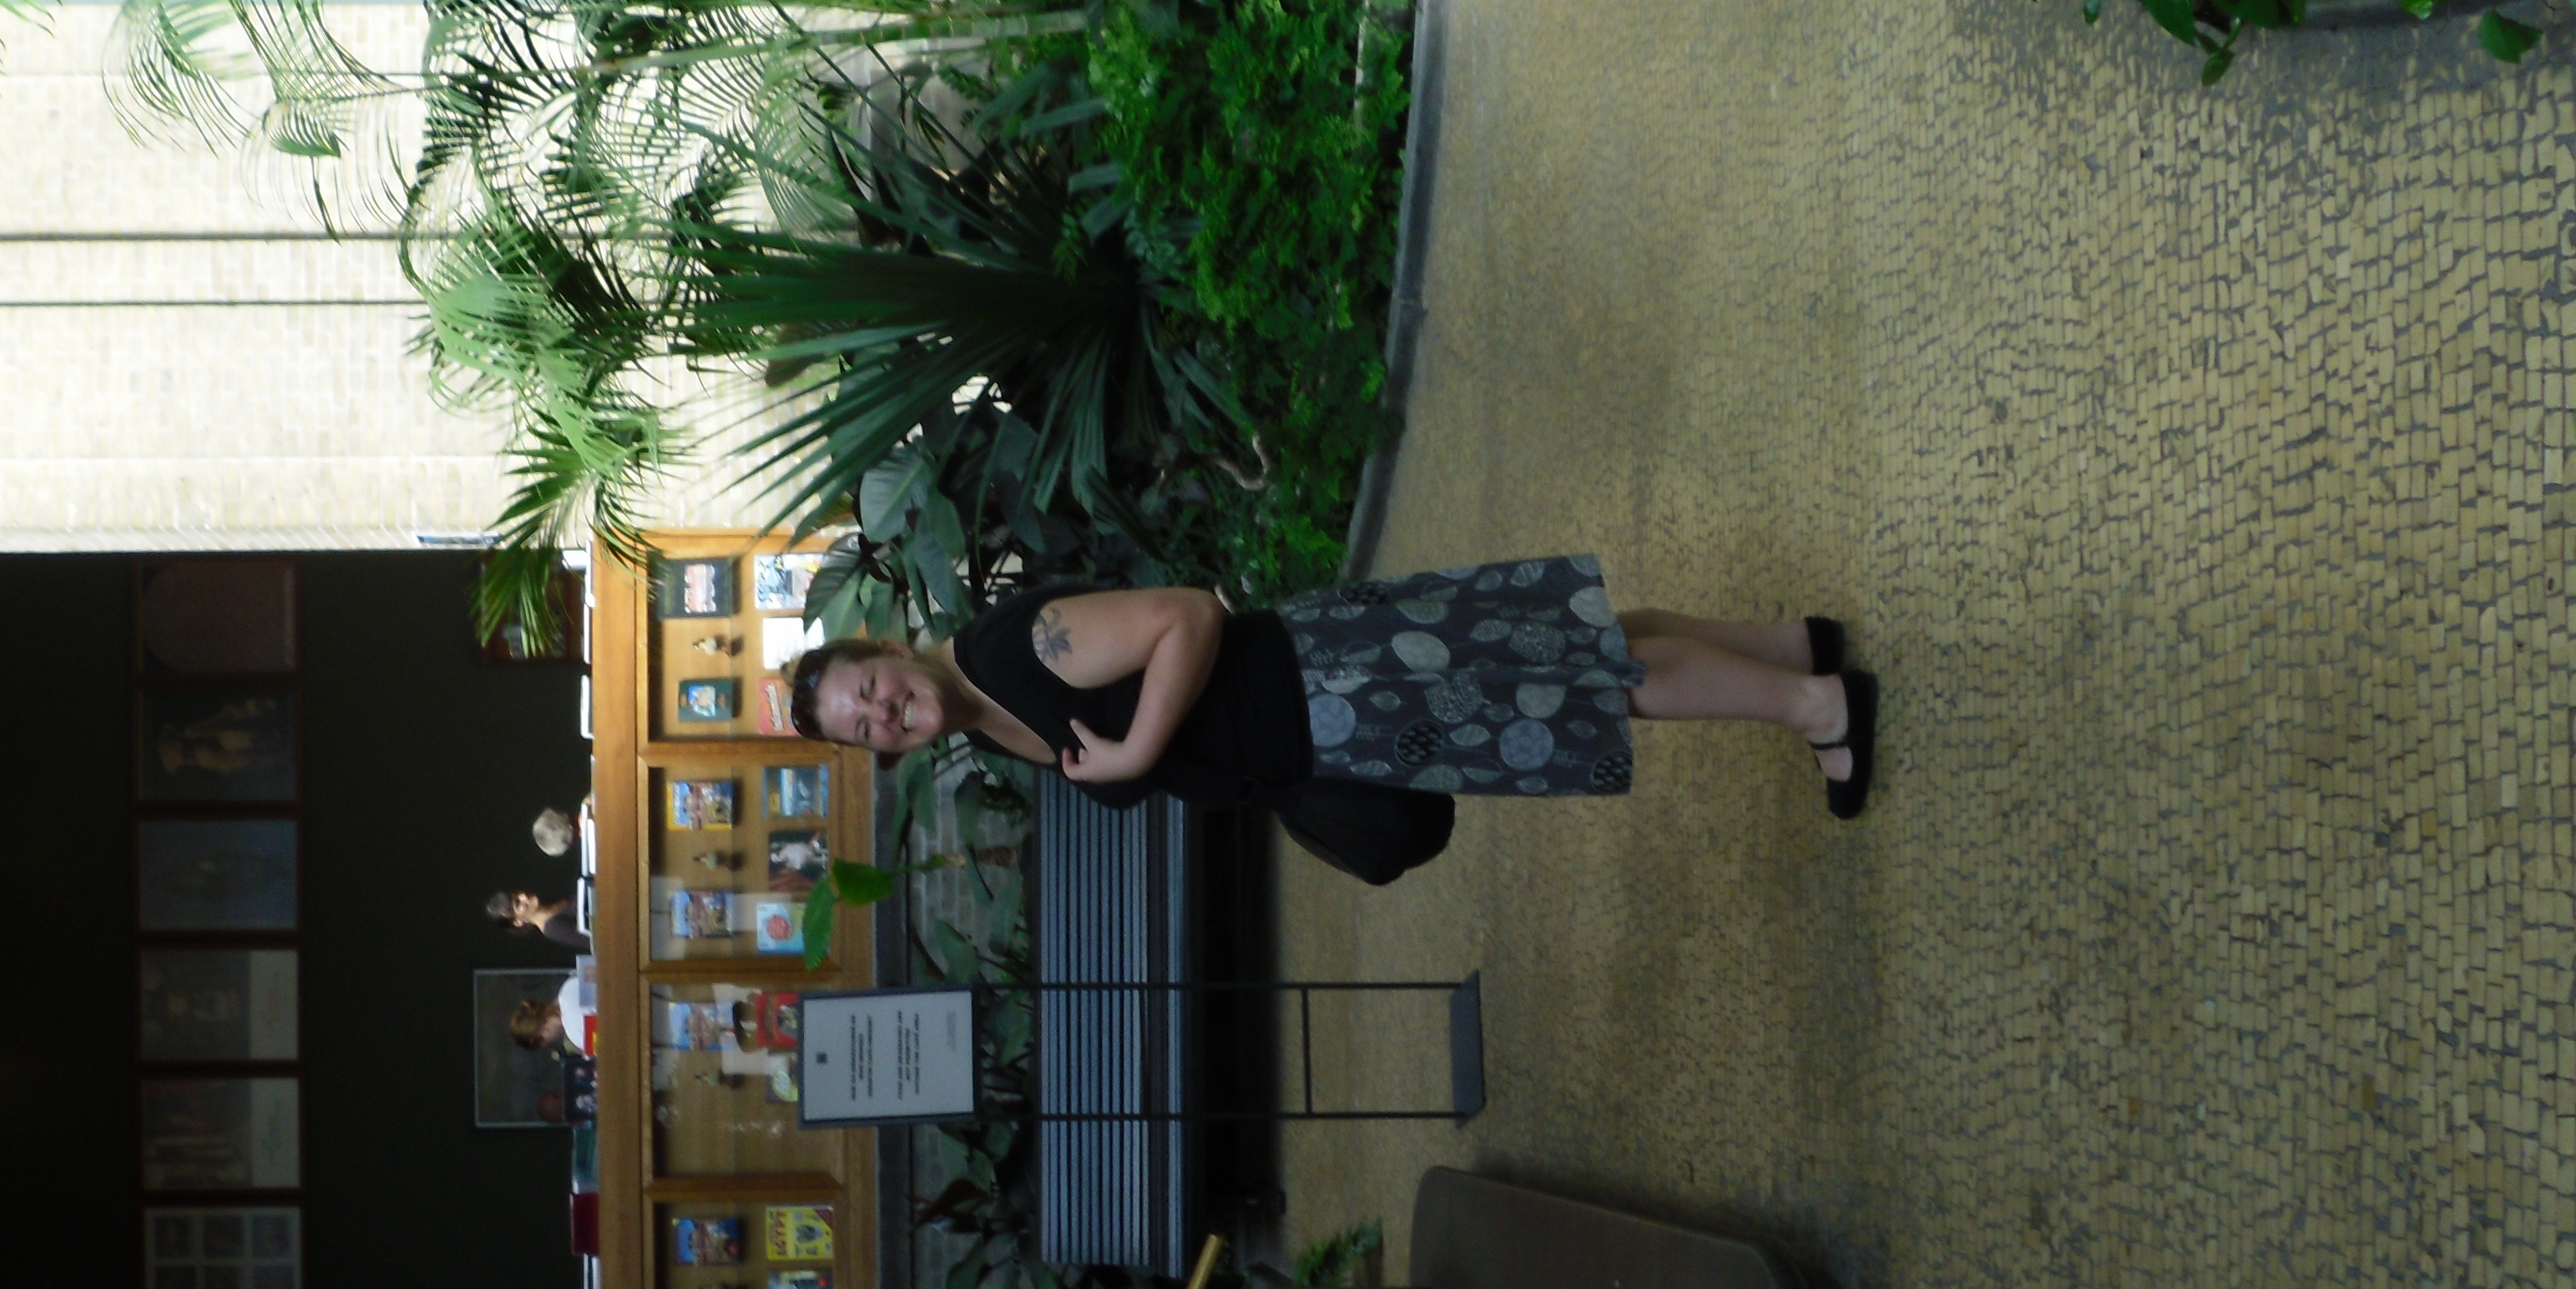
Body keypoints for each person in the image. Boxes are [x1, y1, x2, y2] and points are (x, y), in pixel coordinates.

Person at [785, 559, 1877, 876]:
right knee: (1564, 638)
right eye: (865, 727)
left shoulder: (1011, 652)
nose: (884, 713)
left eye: (868, 690)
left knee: (1583, 690)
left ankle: (1814, 705)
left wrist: (1137, 750)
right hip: (1330, 712)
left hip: (1332, 684)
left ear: (886, 649)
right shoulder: (985, 719)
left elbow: (1185, 618)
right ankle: (1785, 649)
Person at [488, 888, 592, 953]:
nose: (523, 896)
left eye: (518, 893)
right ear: (518, 922)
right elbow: (594, 939)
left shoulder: (551, 901)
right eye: (518, 903)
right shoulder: (553, 928)